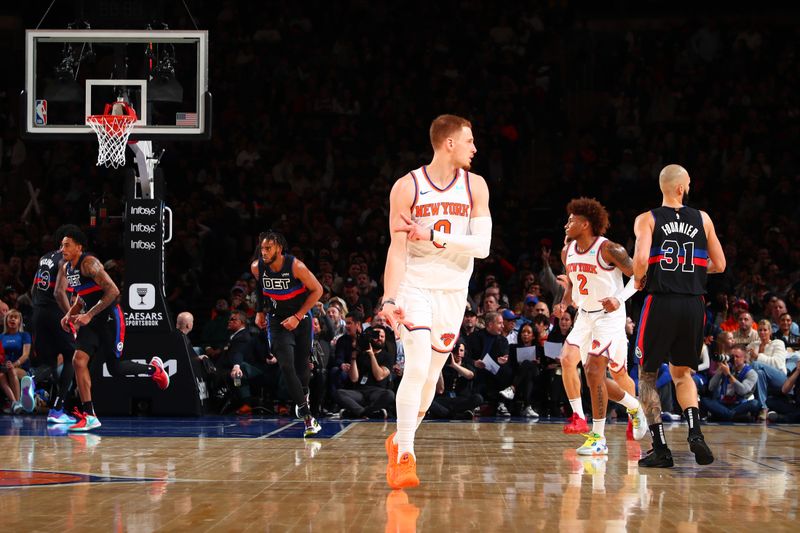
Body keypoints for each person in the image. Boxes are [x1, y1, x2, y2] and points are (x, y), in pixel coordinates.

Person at [379, 114, 492, 489]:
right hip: (415, 286)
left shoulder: (475, 186)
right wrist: (389, 297)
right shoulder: (407, 187)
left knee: (430, 379)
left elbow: (483, 246)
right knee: (416, 365)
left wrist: (438, 237)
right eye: (469, 141)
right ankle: (406, 456)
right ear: (449, 143)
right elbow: (397, 251)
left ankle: (399, 438)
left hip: (453, 292)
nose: (474, 148)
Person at [633, 164, 726, 467]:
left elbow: (642, 260)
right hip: (693, 304)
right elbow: (720, 264)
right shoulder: (704, 219)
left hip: (661, 301)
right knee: (682, 373)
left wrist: (638, 276)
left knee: (647, 375)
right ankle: (695, 433)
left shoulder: (647, 219)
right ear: (681, 187)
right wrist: (695, 270)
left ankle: (660, 448)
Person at [556, 198, 649, 455]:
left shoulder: (609, 249)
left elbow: (639, 278)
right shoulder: (567, 252)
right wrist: (564, 302)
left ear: (585, 224)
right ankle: (633, 406)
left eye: (571, 220)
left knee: (594, 368)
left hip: (609, 317)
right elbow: (574, 287)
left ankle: (598, 438)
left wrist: (618, 300)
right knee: (583, 369)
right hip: (584, 316)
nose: (566, 224)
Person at [58, 227, 170, 432]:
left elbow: (113, 291)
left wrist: (89, 314)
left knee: (115, 368)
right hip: (90, 321)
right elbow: (82, 296)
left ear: (79, 247)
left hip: (110, 318)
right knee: (78, 360)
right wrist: (69, 314)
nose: (62, 248)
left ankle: (154, 369)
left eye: (67, 245)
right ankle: (90, 415)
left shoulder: (89, 263)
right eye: (61, 244)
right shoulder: (67, 268)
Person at [251, 230, 323, 437]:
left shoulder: (295, 266)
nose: (263, 252)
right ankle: (309, 418)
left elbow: (318, 290)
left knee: (302, 368)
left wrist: (298, 316)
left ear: (279, 248)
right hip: (276, 320)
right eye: (262, 248)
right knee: (285, 364)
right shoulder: (257, 267)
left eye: (268, 248)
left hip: (301, 319)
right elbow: (259, 287)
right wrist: (259, 311)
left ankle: (304, 394)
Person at [31, 224, 80, 424]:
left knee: (50, 362)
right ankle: (57, 409)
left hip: (38, 311)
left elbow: (33, 286)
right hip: (54, 312)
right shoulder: (65, 260)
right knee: (72, 356)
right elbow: (59, 292)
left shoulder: (45, 257)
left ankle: (32, 381)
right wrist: (69, 314)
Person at [699, 345, 760, 421]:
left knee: (755, 403)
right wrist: (720, 371)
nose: (734, 359)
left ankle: (723, 415)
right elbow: (711, 387)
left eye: (737, 357)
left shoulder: (751, 373)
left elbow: (742, 391)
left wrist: (728, 374)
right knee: (704, 400)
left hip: (739, 405)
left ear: (744, 358)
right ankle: (733, 416)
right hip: (723, 403)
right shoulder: (726, 367)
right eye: (732, 356)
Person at [0, 310, 34, 413]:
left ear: (19, 321)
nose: (13, 319)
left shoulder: (25, 335)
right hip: (4, 367)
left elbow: (25, 355)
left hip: (21, 368)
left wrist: (14, 365)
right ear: (6, 320)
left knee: (12, 370)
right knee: (0, 375)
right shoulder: (1, 337)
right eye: (10, 317)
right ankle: (15, 403)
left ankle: (18, 402)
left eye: (15, 317)